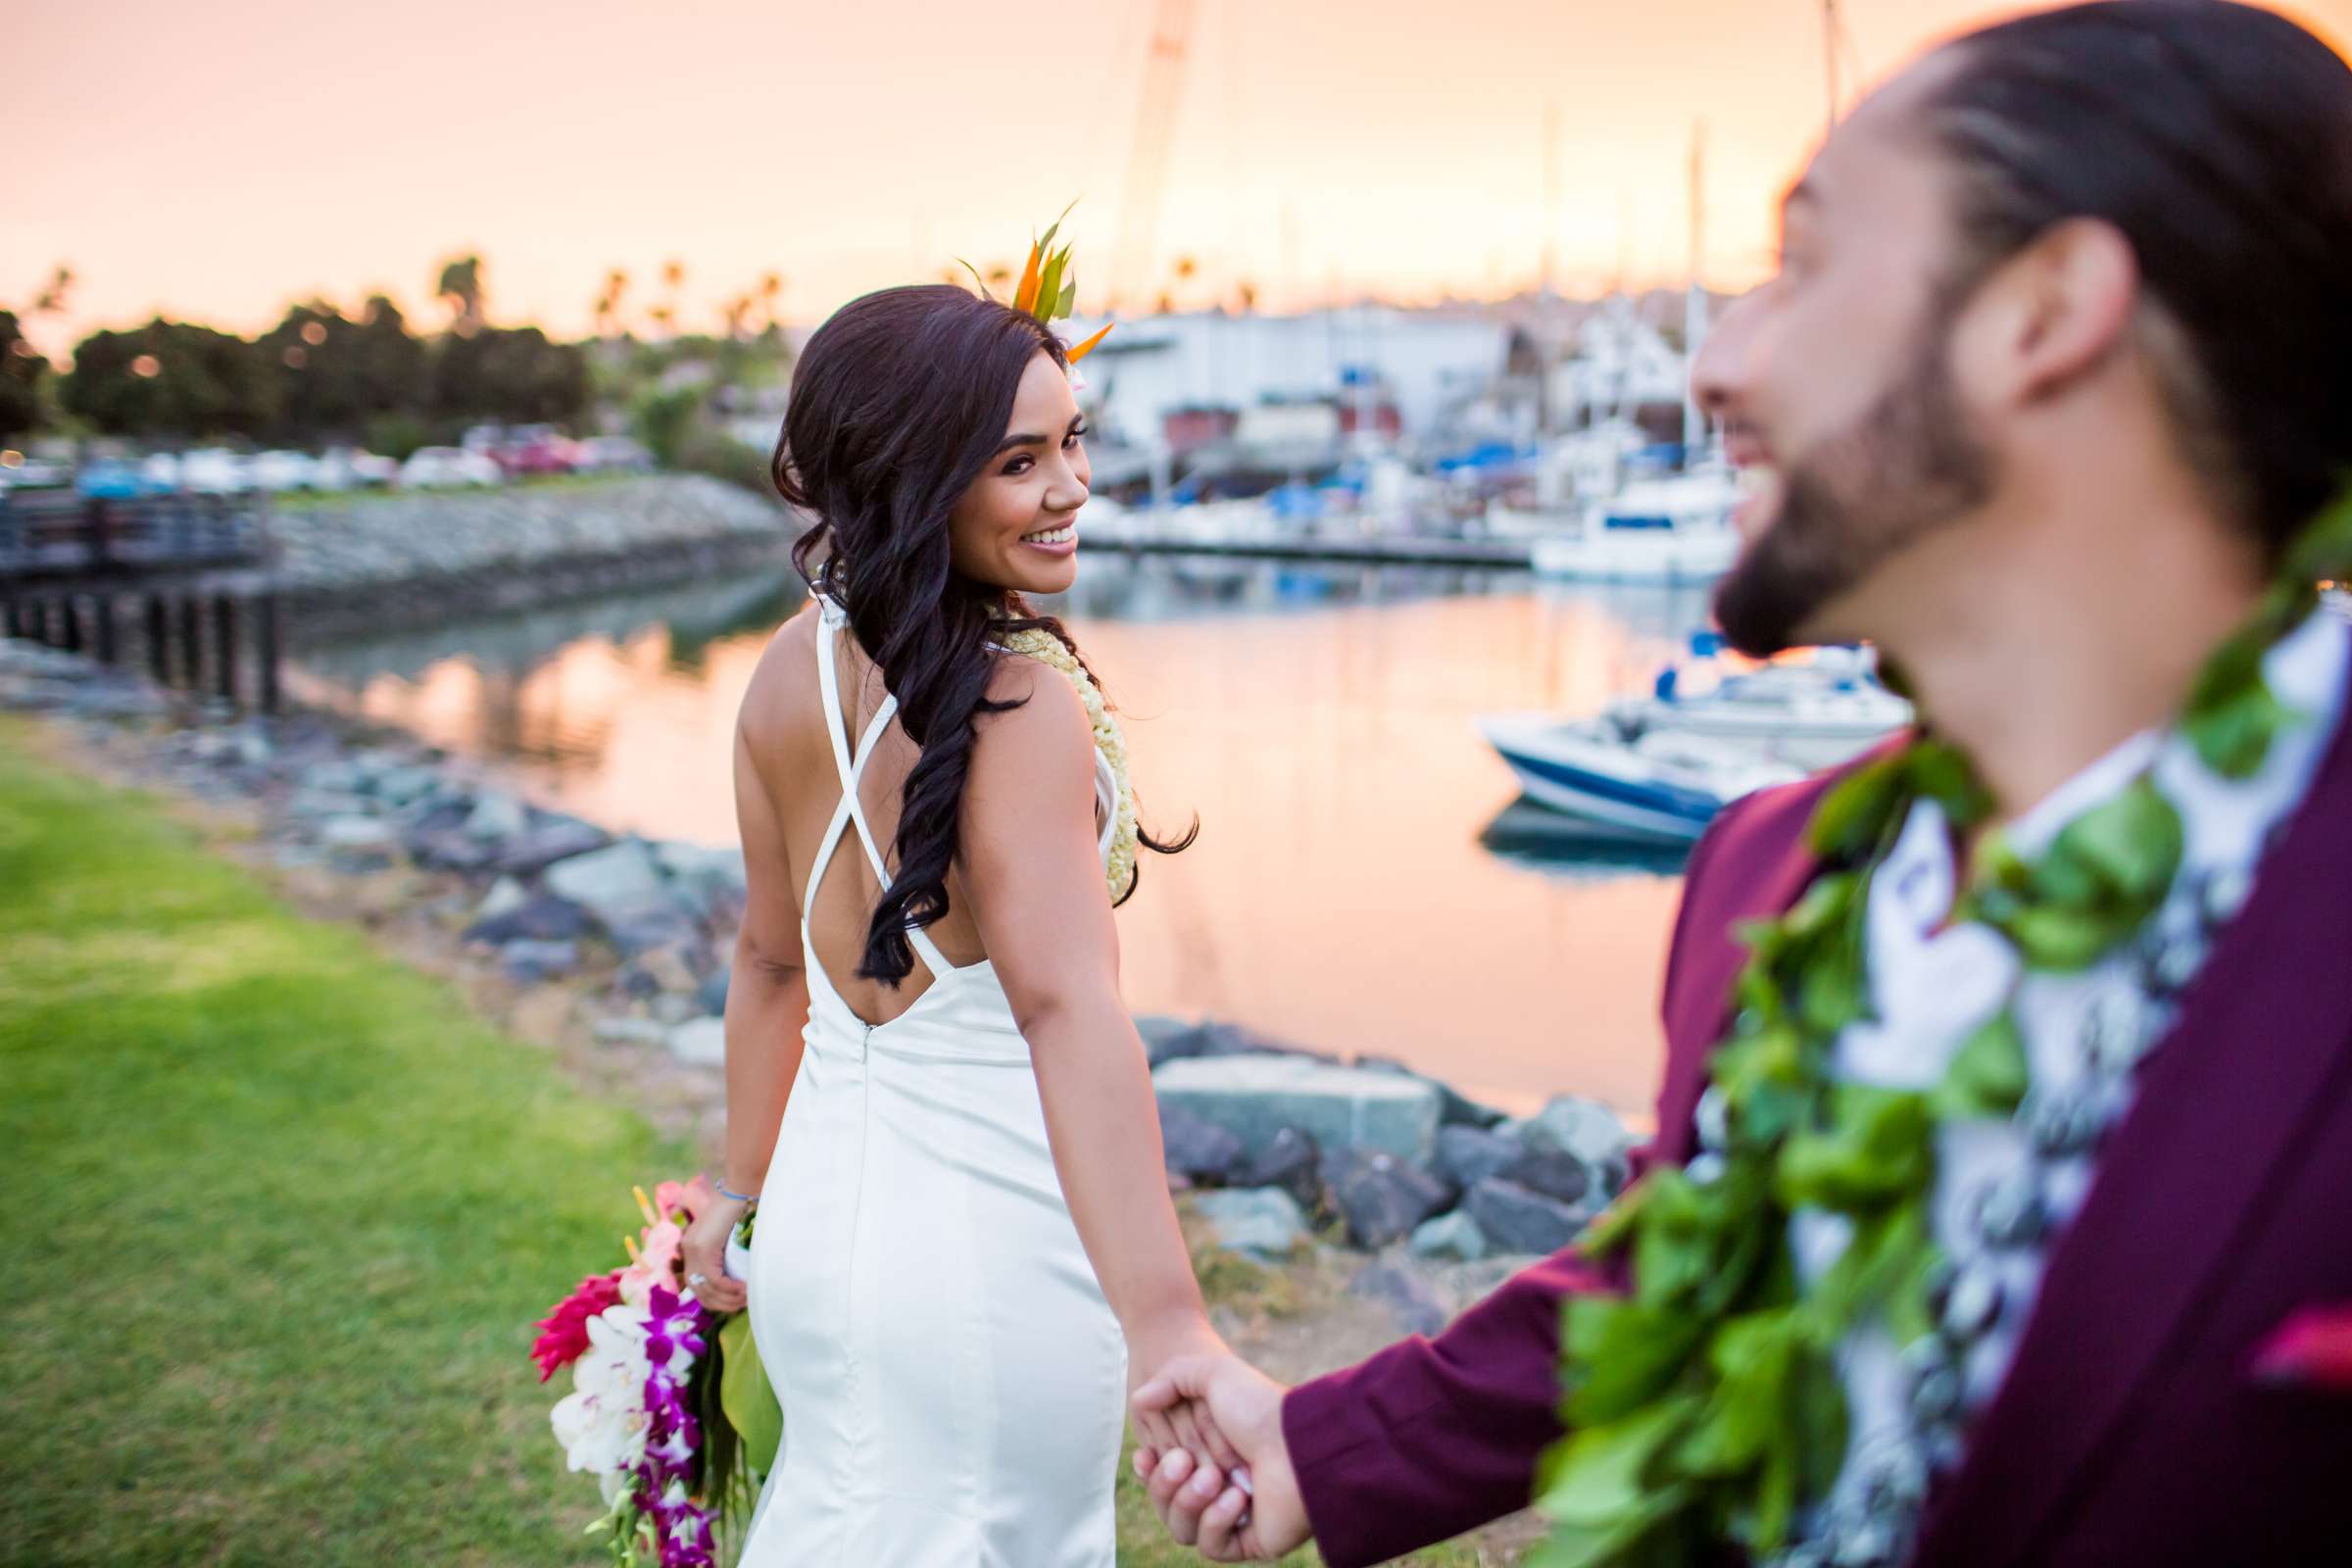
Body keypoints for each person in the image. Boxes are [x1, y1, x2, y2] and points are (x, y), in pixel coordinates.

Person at [1134, 2, 2352, 1562]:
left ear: (2047, 310)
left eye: (1808, 264)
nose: (1717, 366)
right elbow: (1699, 1275)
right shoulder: (1766, 876)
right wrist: (1329, 1446)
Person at [675, 282, 1237, 1564]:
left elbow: (768, 966)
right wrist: (1172, 1328)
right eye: (1019, 461)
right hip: (995, 1254)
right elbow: (1071, 1015)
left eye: (1074, 441)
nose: (1071, 487)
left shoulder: (783, 672)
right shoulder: (1017, 706)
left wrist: (743, 1195)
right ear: (915, 479)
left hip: (822, 1231)